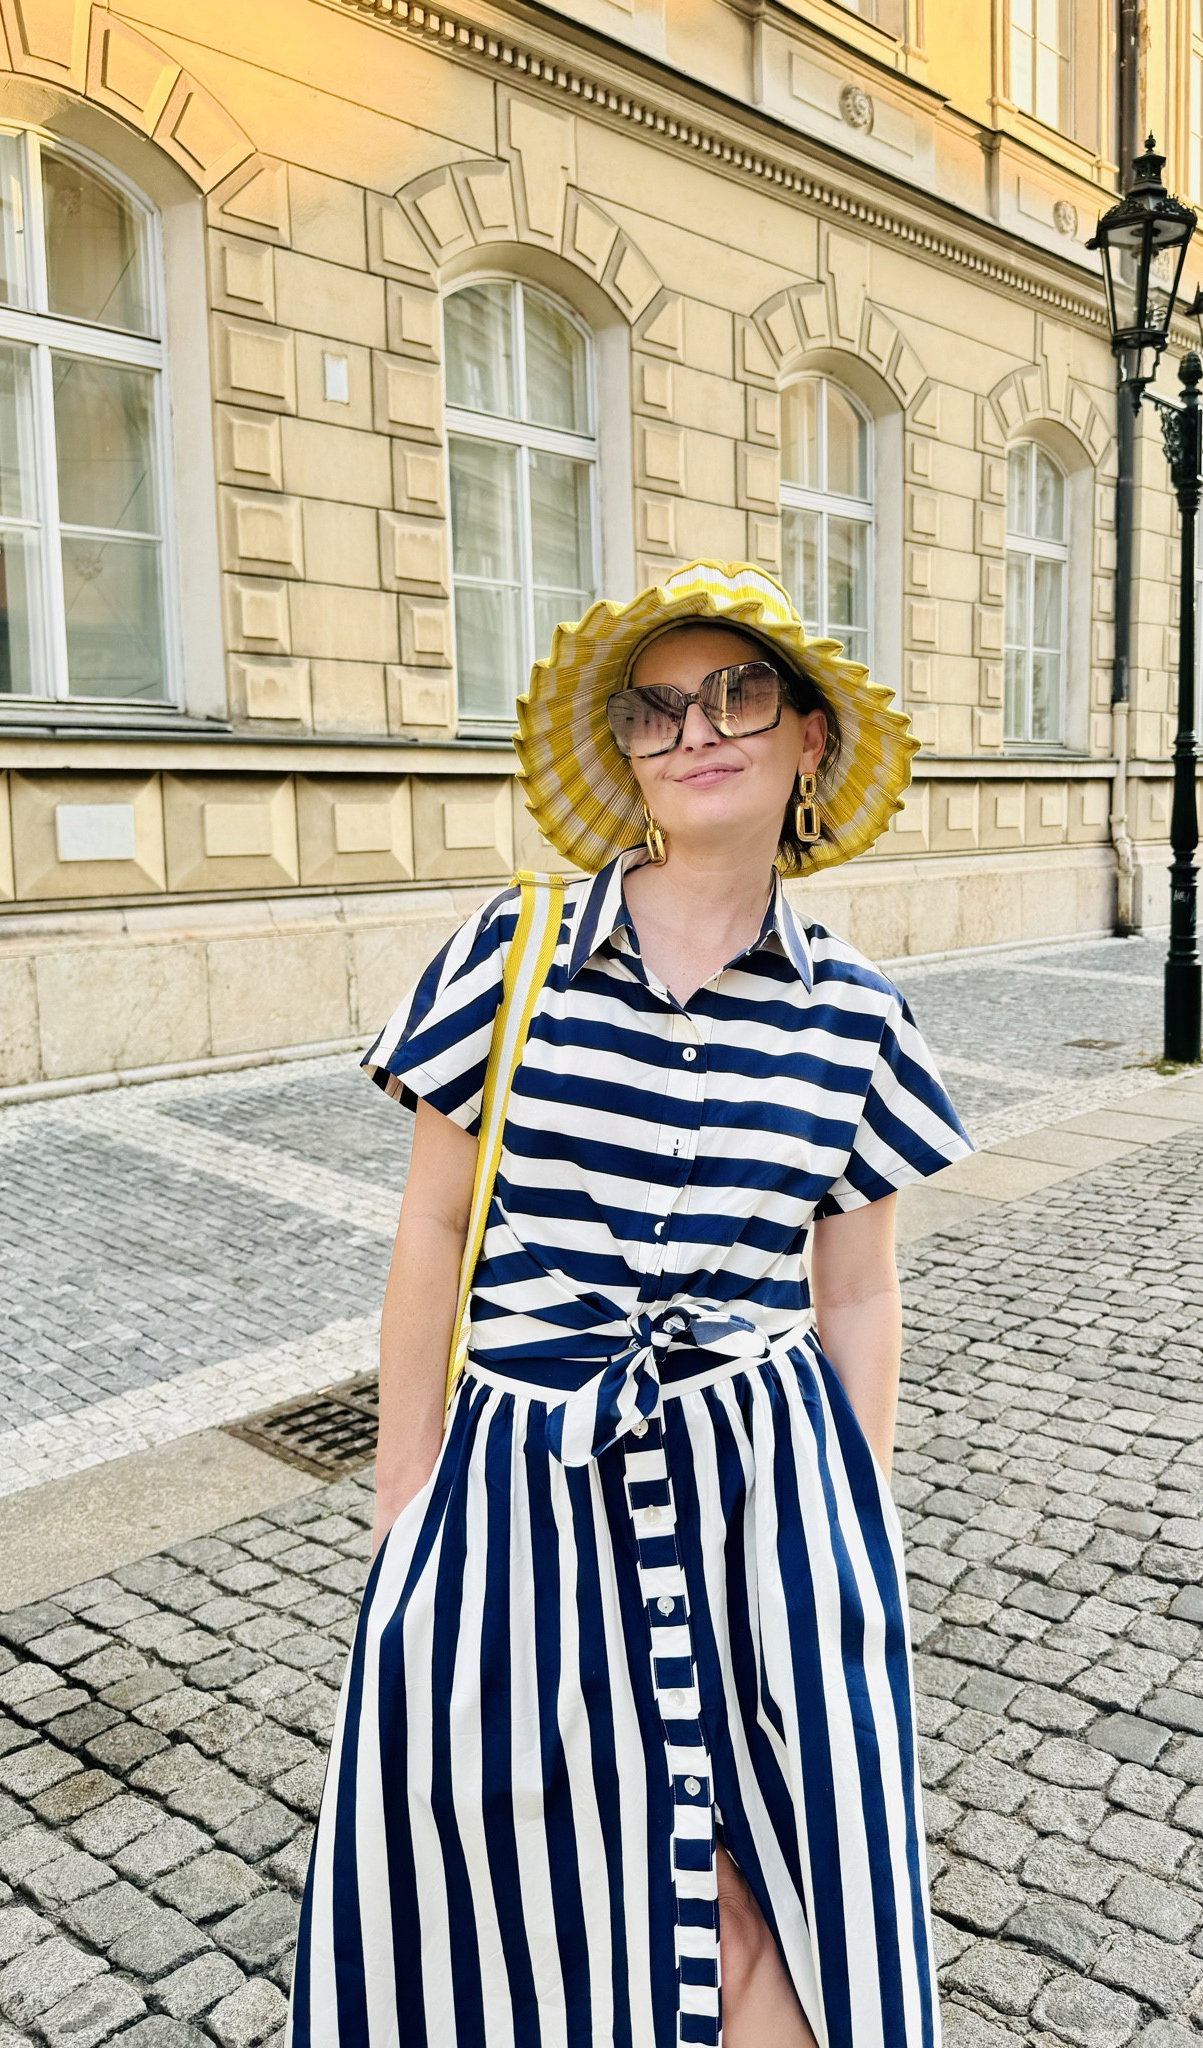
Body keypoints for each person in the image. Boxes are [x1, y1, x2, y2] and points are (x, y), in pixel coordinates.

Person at [290, 561, 972, 2048]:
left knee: (784, 1885)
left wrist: (854, 1514)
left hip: (762, 1492)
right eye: (658, 710)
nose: (697, 731)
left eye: (738, 691)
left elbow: (857, 1293)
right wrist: (406, 1491)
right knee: (523, 1876)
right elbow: (431, 1227)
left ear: (806, 738)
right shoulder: (511, 952)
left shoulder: (857, 1008)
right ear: (627, 757)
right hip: (525, 1481)